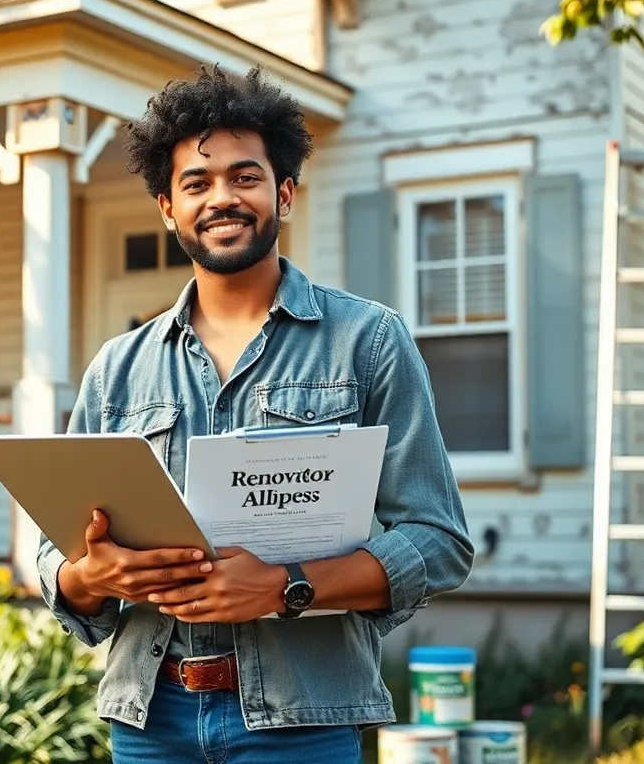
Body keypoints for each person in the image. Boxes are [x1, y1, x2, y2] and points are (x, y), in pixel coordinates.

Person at [35, 63, 475, 763]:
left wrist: (283, 586)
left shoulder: (368, 342)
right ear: (167, 207)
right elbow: (56, 559)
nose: (222, 199)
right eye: (196, 183)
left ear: (285, 193)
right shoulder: (117, 369)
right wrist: (92, 577)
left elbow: (439, 539)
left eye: (245, 177)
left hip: (302, 719)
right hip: (150, 721)